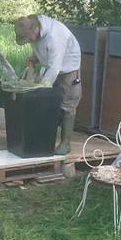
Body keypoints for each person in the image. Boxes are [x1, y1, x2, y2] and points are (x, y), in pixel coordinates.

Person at [14, 14, 82, 155]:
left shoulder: (55, 37)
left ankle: (65, 144)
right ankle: (43, 138)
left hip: (68, 68)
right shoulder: (34, 29)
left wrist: (43, 87)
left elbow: (55, 67)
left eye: (29, 38)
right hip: (51, 65)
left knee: (67, 105)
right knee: (49, 103)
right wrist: (34, 58)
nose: (29, 41)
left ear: (36, 29)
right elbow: (40, 47)